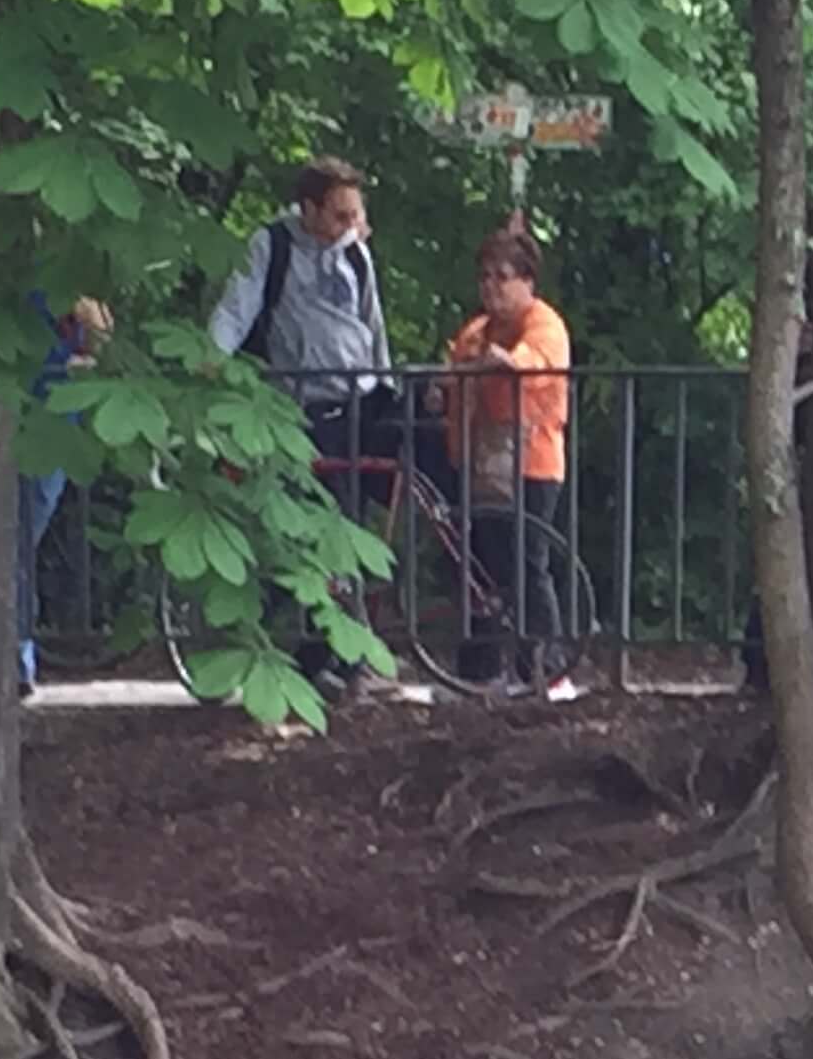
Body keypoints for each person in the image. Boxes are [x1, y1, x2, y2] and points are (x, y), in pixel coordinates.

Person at [207, 156, 397, 687]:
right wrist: (211, 357)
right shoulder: (274, 244)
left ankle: (337, 655)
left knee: (345, 530)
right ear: (309, 208)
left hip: (353, 405)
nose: (349, 226)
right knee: (299, 530)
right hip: (295, 410)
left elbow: (372, 322)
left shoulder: (356, 255)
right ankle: (292, 651)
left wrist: (385, 385)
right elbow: (237, 307)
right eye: (339, 214)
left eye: (354, 214)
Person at [428, 222, 578, 700]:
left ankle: (548, 671)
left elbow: (531, 364)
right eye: (485, 277)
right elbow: (454, 380)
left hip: (531, 463)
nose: (491, 286)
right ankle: (478, 670)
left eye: (502, 276)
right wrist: (439, 391)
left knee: (527, 565)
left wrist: (501, 360)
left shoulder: (545, 325)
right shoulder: (473, 332)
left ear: (527, 281)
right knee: (476, 565)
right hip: (478, 462)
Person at [14, 294, 112, 697]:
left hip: (54, 434)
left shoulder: (77, 287)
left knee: (21, 546)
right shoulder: (17, 287)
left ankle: (18, 654)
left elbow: (103, 349)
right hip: (12, 425)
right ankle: (18, 659)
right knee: (14, 549)